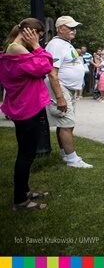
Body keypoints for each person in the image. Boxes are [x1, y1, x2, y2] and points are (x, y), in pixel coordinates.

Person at [0, 18, 53, 210]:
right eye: (38, 35)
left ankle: (24, 190)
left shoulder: (14, 48)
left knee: (27, 152)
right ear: (30, 32)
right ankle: (20, 200)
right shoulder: (17, 49)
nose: (38, 39)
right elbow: (45, 66)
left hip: (23, 107)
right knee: (26, 154)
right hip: (27, 109)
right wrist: (36, 46)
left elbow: (39, 69)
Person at [45, 16, 93, 168]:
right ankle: (72, 160)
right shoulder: (56, 45)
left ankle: (65, 154)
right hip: (61, 86)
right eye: (70, 27)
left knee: (66, 123)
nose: (74, 30)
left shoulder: (65, 43)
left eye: (74, 27)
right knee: (66, 123)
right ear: (60, 29)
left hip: (68, 88)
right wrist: (59, 97)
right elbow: (52, 73)